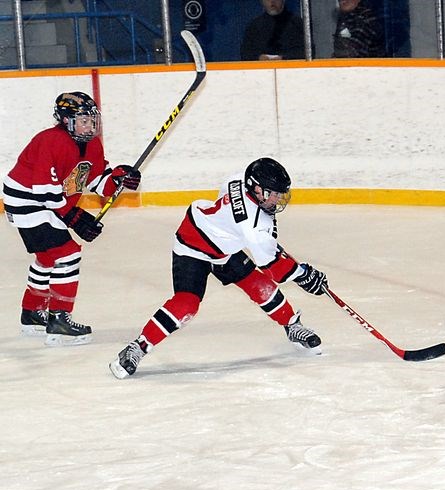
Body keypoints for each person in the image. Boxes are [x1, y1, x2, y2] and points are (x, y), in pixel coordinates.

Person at [108, 157, 328, 379]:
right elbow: (275, 269)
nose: (277, 199)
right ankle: (137, 347)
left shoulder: (238, 181)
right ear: (256, 188)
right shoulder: (255, 227)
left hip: (221, 246)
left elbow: (230, 203)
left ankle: (291, 325)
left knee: (258, 283)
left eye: (280, 193)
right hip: (192, 245)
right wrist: (305, 275)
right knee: (187, 304)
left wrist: (244, 234)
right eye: (272, 193)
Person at [2, 91, 141, 346]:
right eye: (83, 120)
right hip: (27, 201)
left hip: (49, 203)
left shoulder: (93, 145)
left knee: (47, 256)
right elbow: (44, 190)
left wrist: (119, 179)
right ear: (66, 121)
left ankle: (32, 314)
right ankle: (59, 320)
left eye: (92, 120)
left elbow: (98, 181)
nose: (90, 126)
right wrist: (73, 216)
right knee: (67, 254)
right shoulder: (50, 141)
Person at [240, 0, 306, 61]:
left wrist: (285, 58)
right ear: (262, 2)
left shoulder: (297, 24)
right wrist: (258, 57)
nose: (272, 2)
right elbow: (246, 53)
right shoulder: (254, 26)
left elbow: (306, 52)